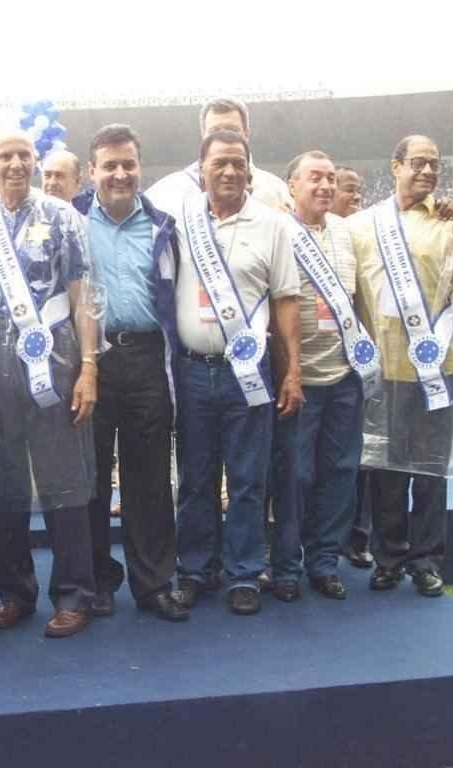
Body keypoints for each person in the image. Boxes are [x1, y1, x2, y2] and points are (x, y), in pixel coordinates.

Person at [0, 126, 100, 638]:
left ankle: (75, 593)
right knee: (2, 481)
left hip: (54, 361)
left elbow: (84, 296)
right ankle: (14, 591)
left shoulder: (62, 217)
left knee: (65, 482)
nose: (16, 165)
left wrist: (89, 368)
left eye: (24, 156)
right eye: (5, 156)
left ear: (35, 162)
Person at [349, 134, 453, 599]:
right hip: (383, 367)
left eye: (435, 164)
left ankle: (427, 560)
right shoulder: (364, 226)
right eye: (418, 163)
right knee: (386, 467)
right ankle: (388, 557)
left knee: (431, 470)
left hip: (436, 367)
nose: (427, 171)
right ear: (395, 166)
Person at [171, 130, 302, 616]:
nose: (229, 171)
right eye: (219, 163)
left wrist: (292, 374)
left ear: (250, 169)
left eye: (238, 163)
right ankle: (194, 570)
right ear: (201, 168)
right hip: (191, 372)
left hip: (248, 374)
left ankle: (244, 573)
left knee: (248, 480)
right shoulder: (178, 222)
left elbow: (286, 301)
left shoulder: (273, 225)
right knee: (195, 479)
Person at [70, 124, 188, 622]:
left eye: (128, 164)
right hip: (88, 362)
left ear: (140, 168)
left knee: (150, 480)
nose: (120, 174)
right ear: (91, 170)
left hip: (146, 360)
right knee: (90, 477)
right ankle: (97, 581)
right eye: (109, 165)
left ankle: (153, 583)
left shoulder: (164, 225)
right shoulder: (68, 220)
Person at [271, 151, 379, 603]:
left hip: (344, 377)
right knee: (295, 475)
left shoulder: (349, 233)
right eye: (314, 178)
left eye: (331, 179)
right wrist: (287, 371)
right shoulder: (277, 231)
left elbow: (360, 299)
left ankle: (324, 562)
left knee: (339, 471)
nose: (325, 186)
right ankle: (287, 564)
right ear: (291, 185)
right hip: (298, 379)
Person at [329, 166, 374, 569]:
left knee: (358, 459)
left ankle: (357, 537)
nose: (355, 197)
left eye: (359, 191)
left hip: (358, 364)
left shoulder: (366, 238)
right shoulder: (307, 233)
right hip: (316, 367)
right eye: (349, 190)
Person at [146, 96, 293, 214]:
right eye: (215, 131)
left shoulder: (276, 189)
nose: (223, 138)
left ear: (246, 134)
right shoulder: (170, 189)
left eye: (232, 130)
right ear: (203, 135)